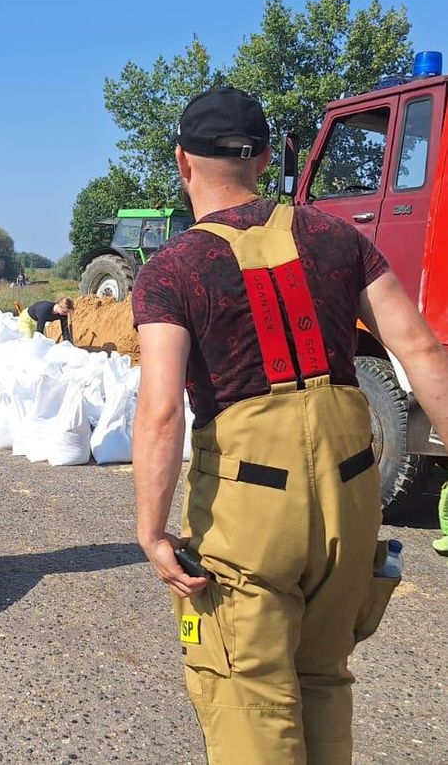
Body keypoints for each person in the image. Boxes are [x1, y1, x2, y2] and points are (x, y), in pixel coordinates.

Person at [131, 86, 448, 763]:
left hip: (250, 513)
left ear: (182, 161)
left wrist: (151, 529)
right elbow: (420, 349)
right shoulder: (339, 238)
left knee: (248, 693)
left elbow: (159, 410)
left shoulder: (171, 269)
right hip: (351, 497)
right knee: (324, 679)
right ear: (267, 157)